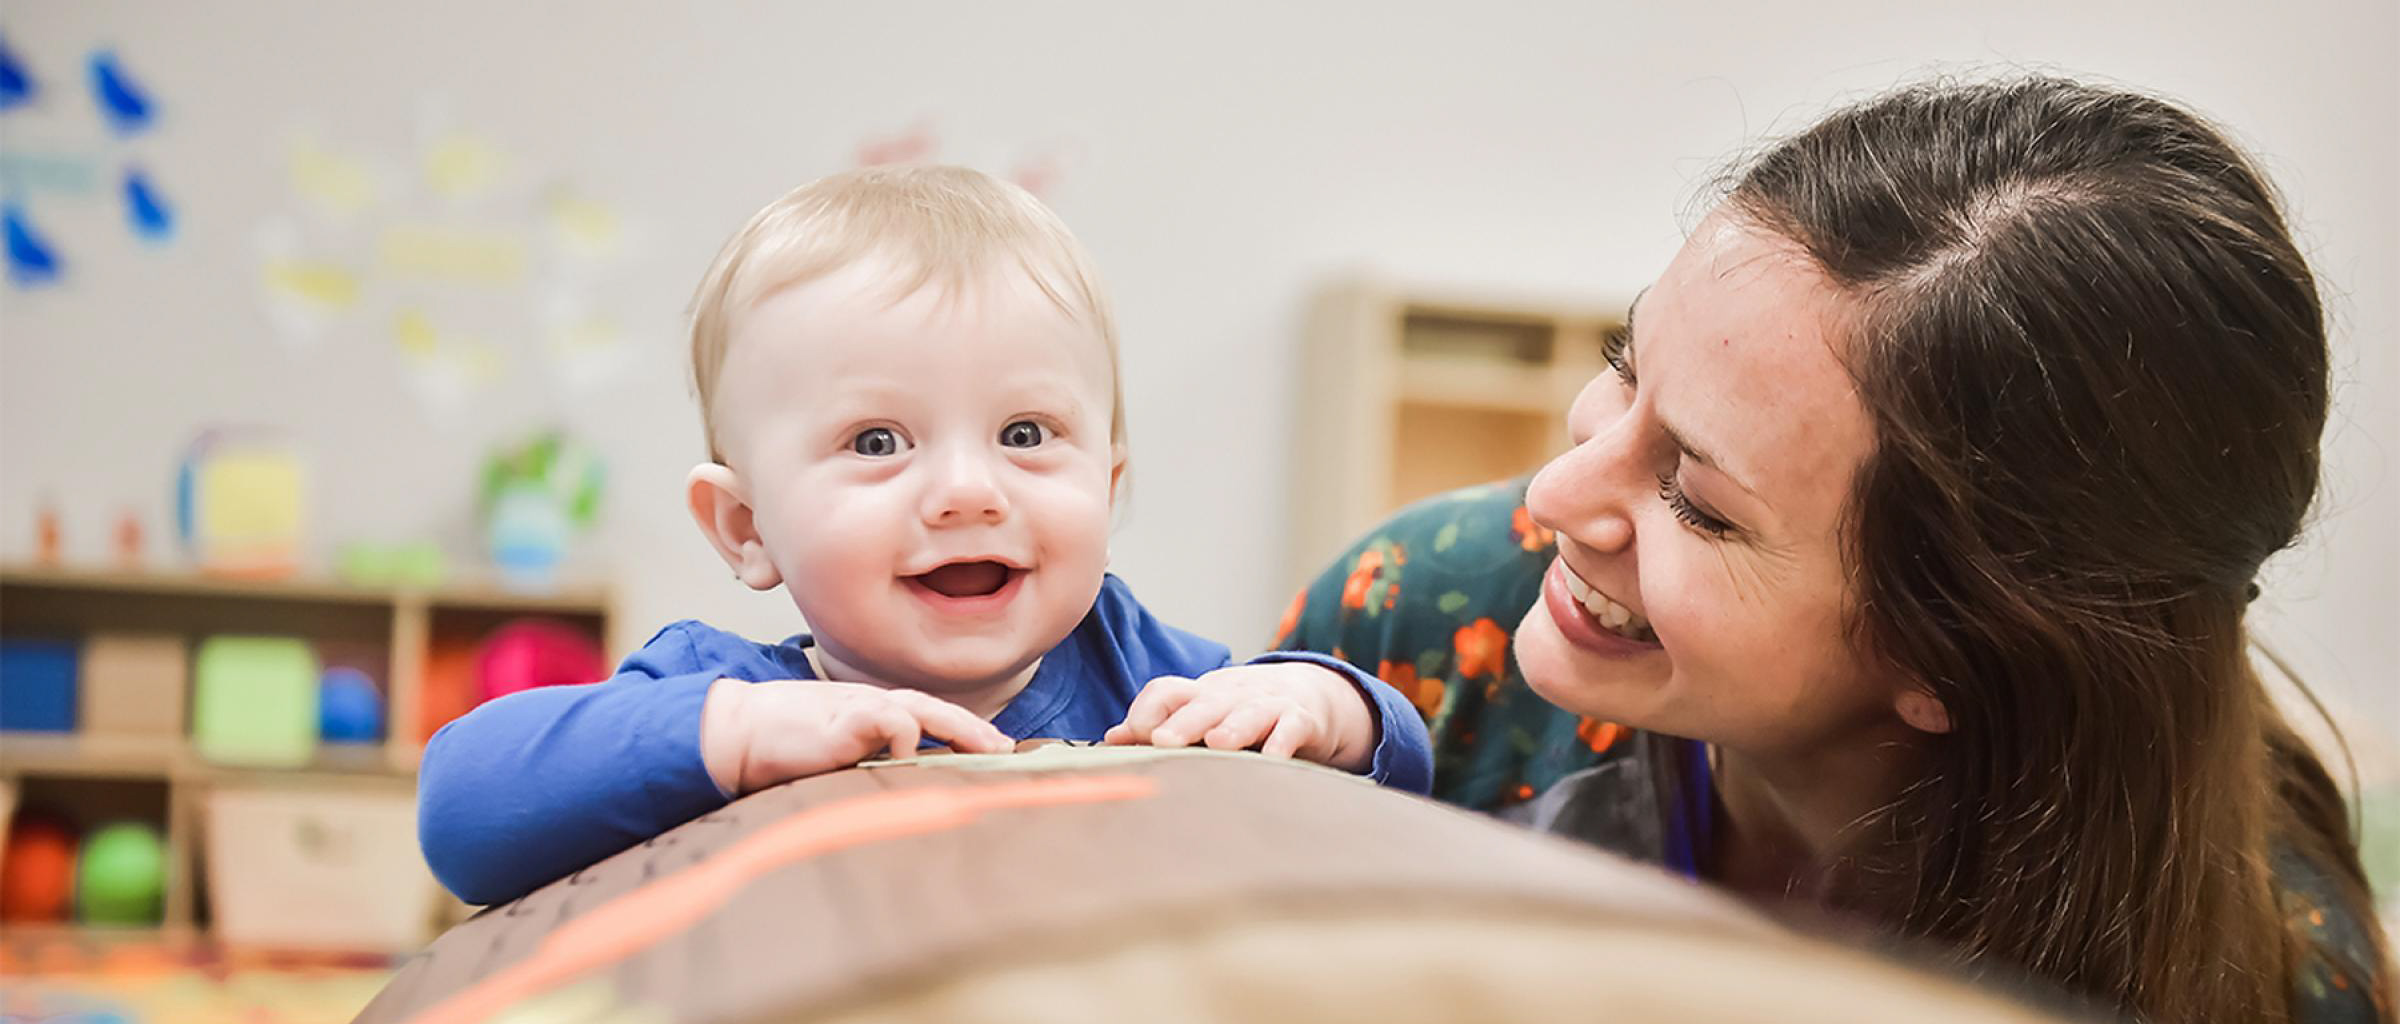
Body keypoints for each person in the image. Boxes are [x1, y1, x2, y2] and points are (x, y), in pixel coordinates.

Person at [1277, 77, 2391, 1023]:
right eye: (1625, 361)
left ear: (1948, 658)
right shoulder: (1420, 626)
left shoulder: (2284, 978)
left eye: (1700, 503)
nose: (1560, 495)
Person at [420, 166, 1432, 907]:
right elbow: (464, 813)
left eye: (1024, 434)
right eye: (876, 440)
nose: (964, 491)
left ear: (1109, 483)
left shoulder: (1139, 674)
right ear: (745, 527)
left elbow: (1402, 776)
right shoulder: (727, 694)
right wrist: (729, 736)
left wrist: (1321, 701)